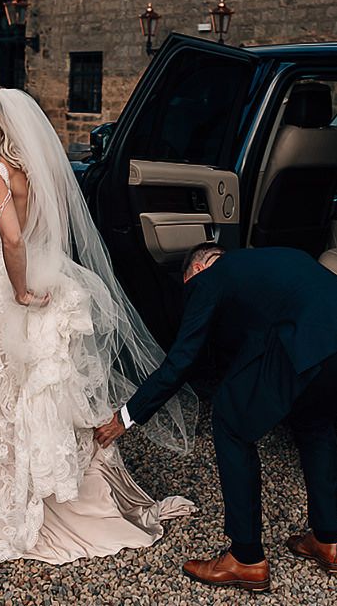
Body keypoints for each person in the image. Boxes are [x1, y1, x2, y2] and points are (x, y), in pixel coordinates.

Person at [0, 86, 198, 564]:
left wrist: (22, 291)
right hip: (39, 284)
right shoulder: (34, 173)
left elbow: (11, 238)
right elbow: (44, 232)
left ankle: (7, 510)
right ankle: (32, 496)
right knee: (26, 396)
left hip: (1, 296)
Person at [96, 243, 337, 591]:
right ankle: (328, 540)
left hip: (300, 339)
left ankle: (246, 557)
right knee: (315, 425)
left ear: (196, 269)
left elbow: (181, 361)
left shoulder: (210, 279)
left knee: (230, 422)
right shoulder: (269, 261)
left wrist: (125, 417)